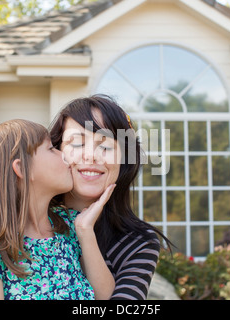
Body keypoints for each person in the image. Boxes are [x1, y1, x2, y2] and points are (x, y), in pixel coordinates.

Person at [0, 119, 115, 300]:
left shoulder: (69, 226)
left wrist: (85, 231)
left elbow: (106, 297)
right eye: (51, 149)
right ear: (22, 168)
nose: (64, 155)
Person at [50, 95, 172, 300]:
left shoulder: (138, 243)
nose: (91, 155)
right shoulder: (26, 222)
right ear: (56, 151)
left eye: (106, 146)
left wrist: (85, 233)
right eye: (77, 143)